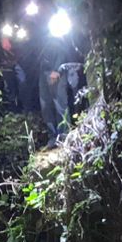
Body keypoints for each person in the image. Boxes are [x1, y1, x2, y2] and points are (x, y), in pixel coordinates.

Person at [38, 14, 85, 146]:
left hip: (56, 71)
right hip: (43, 71)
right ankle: (53, 136)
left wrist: (57, 71)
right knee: (46, 105)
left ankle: (64, 136)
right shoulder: (43, 32)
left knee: (60, 104)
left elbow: (63, 51)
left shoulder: (61, 29)